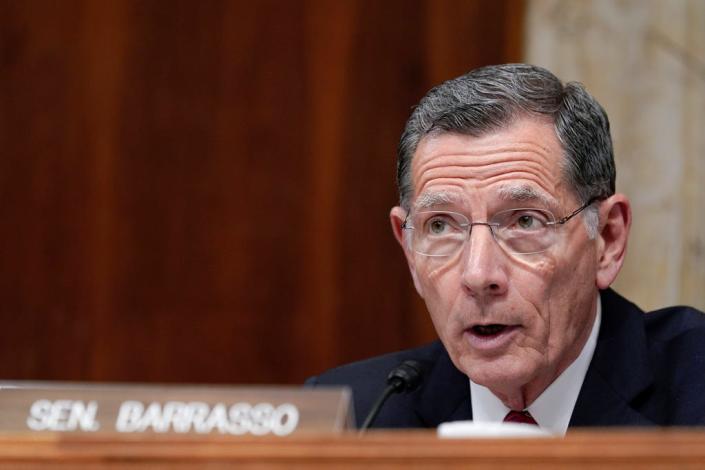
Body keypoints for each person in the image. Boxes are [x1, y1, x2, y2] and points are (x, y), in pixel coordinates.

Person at [307, 64, 705, 434]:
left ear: (607, 238)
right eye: (441, 225)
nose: (478, 275)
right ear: (410, 249)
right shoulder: (352, 418)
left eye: (525, 221)